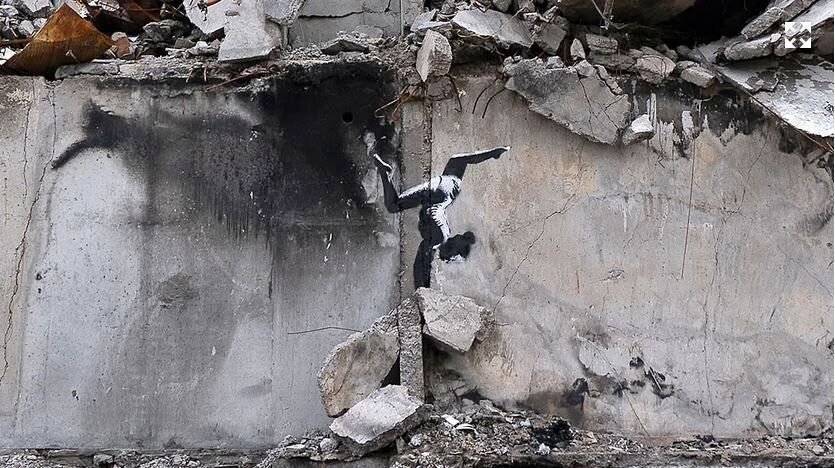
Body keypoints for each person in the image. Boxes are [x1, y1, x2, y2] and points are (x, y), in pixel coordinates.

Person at [365, 131, 509, 288]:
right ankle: (385, 174)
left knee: (394, 205)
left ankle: (385, 173)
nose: (446, 260)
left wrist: (492, 153)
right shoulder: (439, 237)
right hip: (436, 194)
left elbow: (462, 159)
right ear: (453, 250)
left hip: (437, 185)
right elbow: (421, 263)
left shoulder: (453, 180)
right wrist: (423, 290)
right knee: (395, 207)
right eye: (450, 258)